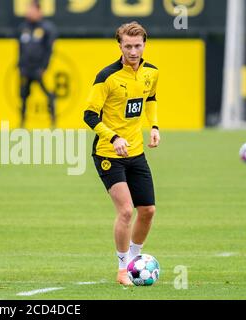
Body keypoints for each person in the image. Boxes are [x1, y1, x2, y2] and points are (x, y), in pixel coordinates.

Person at [83, 21, 160, 286]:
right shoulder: (107, 77)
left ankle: (133, 262)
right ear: (119, 45)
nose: (133, 51)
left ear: (144, 44)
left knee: (148, 210)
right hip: (108, 153)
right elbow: (89, 115)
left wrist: (154, 126)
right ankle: (121, 269)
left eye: (137, 46)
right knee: (126, 211)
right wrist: (113, 137)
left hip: (136, 152)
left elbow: (150, 98)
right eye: (127, 46)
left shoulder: (151, 72)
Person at [17, 0, 57, 127]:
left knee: (48, 94)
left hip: (39, 68)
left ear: (39, 11)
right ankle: (22, 122)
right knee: (23, 95)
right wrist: (20, 65)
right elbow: (20, 48)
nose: (28, 12)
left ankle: (53, 120)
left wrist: (44, 66)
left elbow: (49, 50)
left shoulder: (47, 28)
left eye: (32, 10)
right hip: (26, 68)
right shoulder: (24, 27)